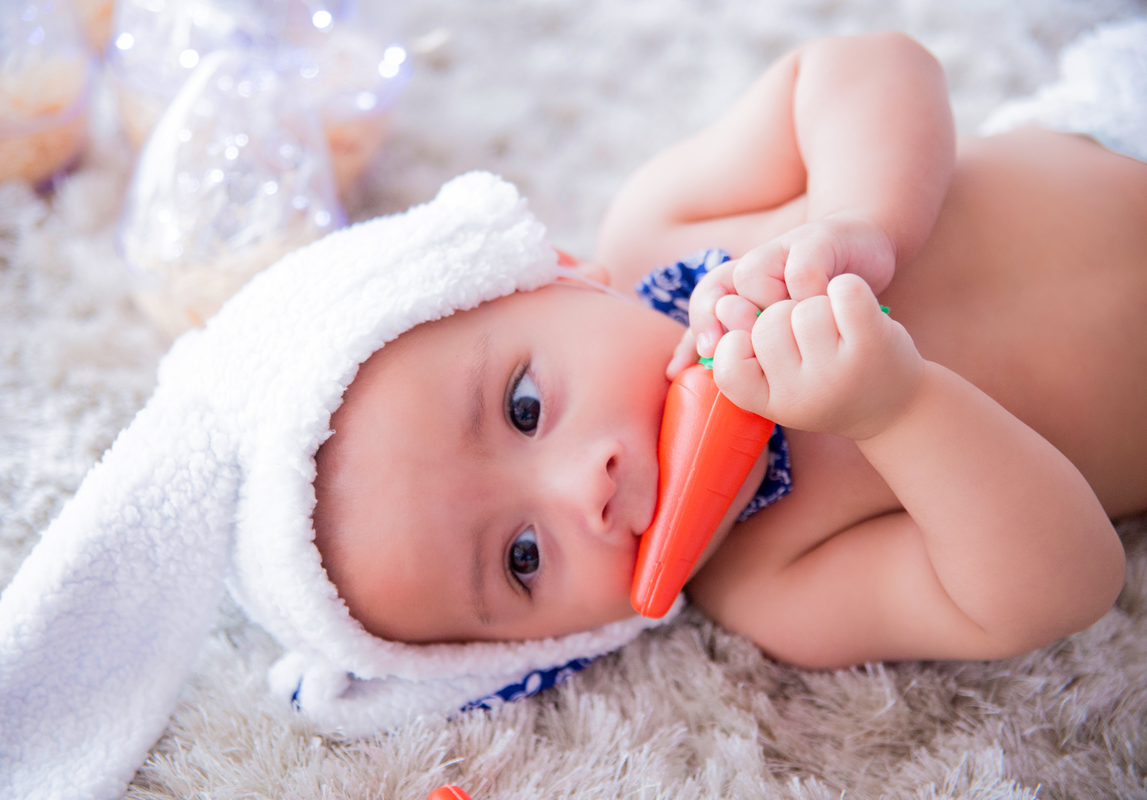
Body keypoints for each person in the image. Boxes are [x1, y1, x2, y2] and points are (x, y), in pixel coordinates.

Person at [311, 28, 1146, 669]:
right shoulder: (771, 580)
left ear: (560, 275)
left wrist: (860, 219)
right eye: (522, 559)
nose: (583, 488)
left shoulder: (660, 229)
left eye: (523, 408)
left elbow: (867, 66)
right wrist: (900, 412)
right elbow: (1061, 588)